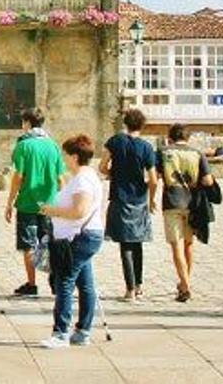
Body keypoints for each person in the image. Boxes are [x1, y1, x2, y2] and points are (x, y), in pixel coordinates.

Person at [38, 134, 105, 349]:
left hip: (79, 236)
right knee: (85, 284)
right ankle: (82, 331)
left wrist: (51, 210)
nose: (63, 159)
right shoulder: (84, 176)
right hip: (84, 235)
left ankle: (61, 333)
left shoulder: (83, 179)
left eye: (65, 155)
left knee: (64, 281)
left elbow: (79, 211)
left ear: (74, 156)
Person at [4, 108, 65, 297]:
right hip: (49, 204)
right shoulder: (53, 146)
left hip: (27, 202)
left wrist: (9, 202)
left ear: (27, 123)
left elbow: (18, 177)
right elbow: (61, 179)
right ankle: (55, 279)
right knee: (49, 242)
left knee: (28, 245)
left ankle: (31, 284)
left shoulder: (23, 146)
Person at [100, 108, 157, 301]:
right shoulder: (147, 147)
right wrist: (152, 199)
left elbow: (102, 166)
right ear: (142, 125)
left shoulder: (115, 141)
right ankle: (139, 285)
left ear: (125, 123)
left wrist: (112, 175)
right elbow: (153, 179)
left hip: (119, 198)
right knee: (137, 242)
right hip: (139, 199)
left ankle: (130, 289)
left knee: (125, 244)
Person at [157, 123, 214, 303]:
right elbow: (207, 180)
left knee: (176, 245)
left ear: (170, 137)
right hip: (192, 203)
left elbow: (155, 175)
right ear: (188, 138)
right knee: (188, 245)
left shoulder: (164, 152)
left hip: (172, 202)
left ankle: (185, 285)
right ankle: (184, 284)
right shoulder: (197, 154)